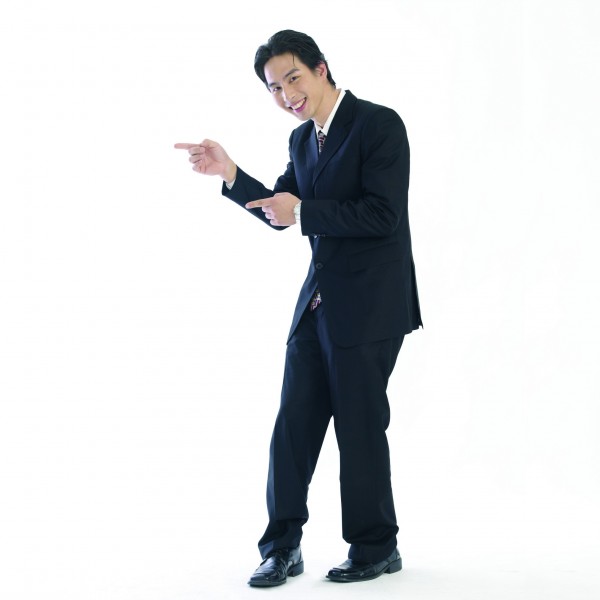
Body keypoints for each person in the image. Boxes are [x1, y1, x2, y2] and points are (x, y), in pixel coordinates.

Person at [175, 29, 422, 586]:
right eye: (274, 88)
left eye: (293, 78)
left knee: (359, 427)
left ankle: (376, 546)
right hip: (317, 305)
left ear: (321, 69)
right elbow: (280, 209)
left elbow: (382, 214)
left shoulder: (379, 124)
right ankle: (282, 547)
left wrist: (305, 213)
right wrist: (231, 173)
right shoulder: (302, 141)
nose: (287, 95)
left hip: (371, 306)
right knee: (293, 427)